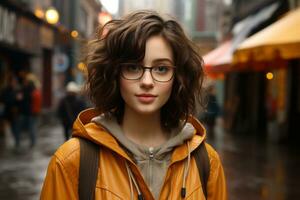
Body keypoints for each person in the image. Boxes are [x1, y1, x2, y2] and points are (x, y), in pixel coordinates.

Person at [41, 10, 227, 200]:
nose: (147, 81)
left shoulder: (206, 162)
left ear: (178, 78)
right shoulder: (72, 161)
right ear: (114, 73)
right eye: (133, 67)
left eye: (161, 69)